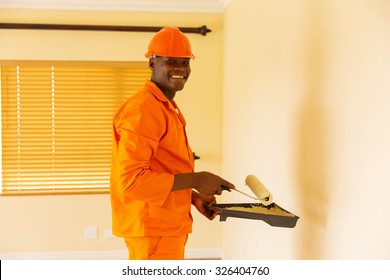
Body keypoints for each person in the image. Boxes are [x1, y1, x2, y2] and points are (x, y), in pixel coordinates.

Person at [110, 27, 235, 260]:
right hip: (153, 229)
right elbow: (132, 181)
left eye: (185, 62)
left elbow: (162, 171)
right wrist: (197, 179)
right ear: (152, 63)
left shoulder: (163, 106)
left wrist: (193, 197)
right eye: (171, 61)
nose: (180, 69)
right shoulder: (144, 109)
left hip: (164, 226)